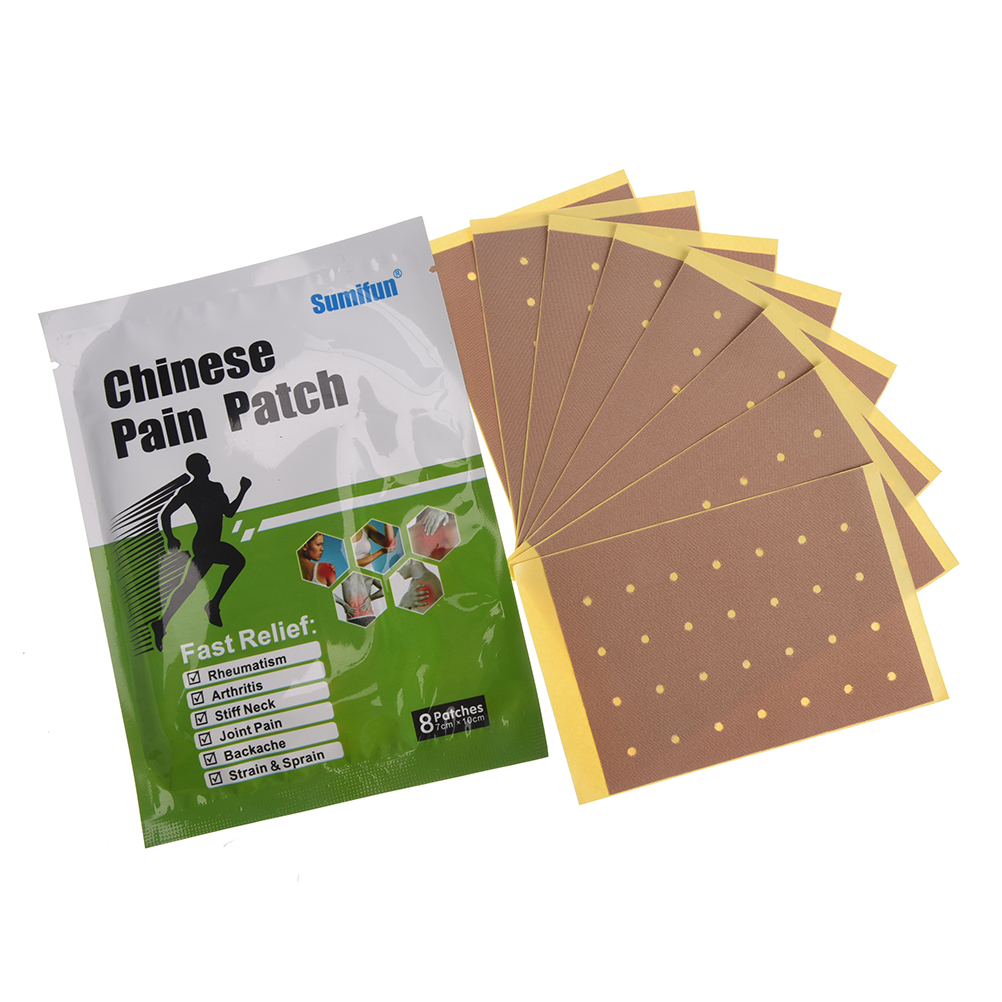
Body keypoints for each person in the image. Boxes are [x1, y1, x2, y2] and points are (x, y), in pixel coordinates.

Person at [150, 453, 251, 650]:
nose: (208, 464)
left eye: (207, 461)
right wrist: (170, 537)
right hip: (205, 544)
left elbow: (229, 512)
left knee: (189, 585)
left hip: (211, 543)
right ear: (197, 468)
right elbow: (166, 513)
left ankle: (167, 621)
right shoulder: (190, 490)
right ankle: (211, 605)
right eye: (204, 462)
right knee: (190, 585)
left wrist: (243, 490)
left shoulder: (215, 487)